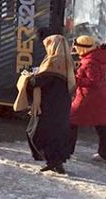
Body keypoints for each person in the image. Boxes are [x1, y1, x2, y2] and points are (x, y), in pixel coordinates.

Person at [26, 34, 76, 174]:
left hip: (50, 104)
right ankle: (56, 162)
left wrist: (29, 77)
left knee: (39, 131)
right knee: (57, 133)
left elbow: (39, 81)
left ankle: (53, 162)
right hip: (62, 104)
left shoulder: (53, 61)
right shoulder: (67, 60)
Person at [69, 35, 106, 163]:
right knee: (102, 125)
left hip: (88, 97)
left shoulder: (90, 62)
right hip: (100, 96)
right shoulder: (98, 56)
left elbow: (92, 81)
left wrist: (75, 79)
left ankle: (67, 151)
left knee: (71, 121)